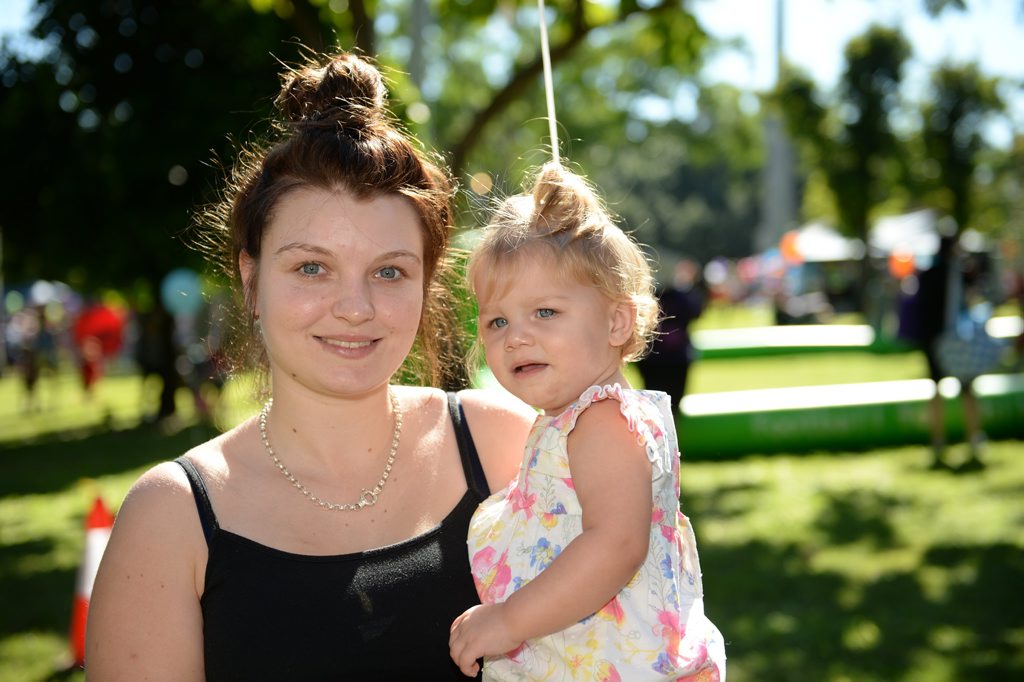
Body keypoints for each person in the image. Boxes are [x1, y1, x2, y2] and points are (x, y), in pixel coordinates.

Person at [85, 50, 536, 680]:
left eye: (389, 271)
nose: (355, 307)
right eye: (311, 268)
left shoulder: (505, 443)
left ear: (427, 282)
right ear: (250, 280)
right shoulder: (171, 518)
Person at [448, 163, 726, 680]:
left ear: (617, 322)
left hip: (609, 663)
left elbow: (616, 544)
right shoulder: (575, 418)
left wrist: (509, 620)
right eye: (497, 320)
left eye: (545, 312)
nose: (516, 337)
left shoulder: (602, 421)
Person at [915, 232, 985, 471]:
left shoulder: (927, 274)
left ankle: (938, 439)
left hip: (932, 340)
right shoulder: (958, 274)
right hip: (956, 340)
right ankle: (974, 437)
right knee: (966, 390)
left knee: (936, 389)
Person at [636, 257, 707, 410]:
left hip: (655, 358)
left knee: (653, 406)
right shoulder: (684, 298)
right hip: (672, 359)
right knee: (670, 406)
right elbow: (697, 312)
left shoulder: (646, 299)